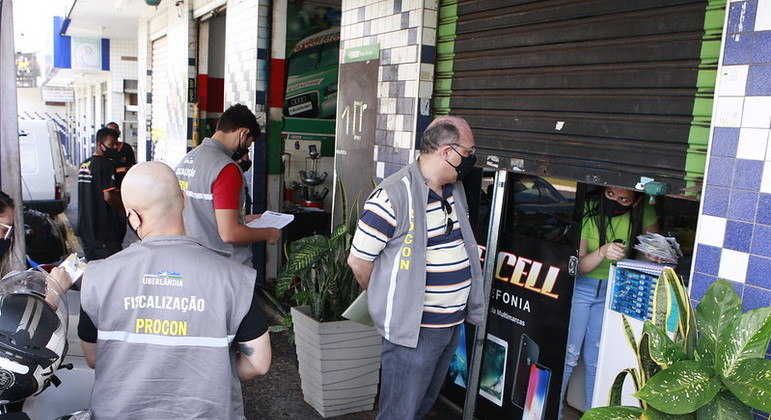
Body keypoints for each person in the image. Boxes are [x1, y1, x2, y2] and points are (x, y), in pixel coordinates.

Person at [77, 161, 271, 419]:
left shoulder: (97, 276)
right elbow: (259, 363)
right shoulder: (234, 277)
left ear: (132, 216)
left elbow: (94, 357)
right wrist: (212, 373)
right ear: (182, 199)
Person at [347, 116, 486, 420]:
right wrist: (391, 299)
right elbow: (358, 261)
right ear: (448, 153)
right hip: (415, 332)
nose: (473, 159)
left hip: (449, 325)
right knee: (399, 412)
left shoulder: (453, 190)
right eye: (470, 151)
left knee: (421, 404)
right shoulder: (392, 195)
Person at [561, 186, 659, 411]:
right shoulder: (588, 210)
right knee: (569, 355)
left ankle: (592, 413)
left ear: (635, 202)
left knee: (598, 359)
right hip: (582, 290)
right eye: (610, 195)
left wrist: (654, 254)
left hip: (614, 290)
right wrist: (603, 251)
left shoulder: (643, 211)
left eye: (624, 199)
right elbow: (579, 267)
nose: (615, 201)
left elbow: (656, 248)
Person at [176, 104, 280, 267]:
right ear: (243, 133)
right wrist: (269, 233)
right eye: (248, 144)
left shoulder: (189, 159)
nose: (245, 150)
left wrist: (243, 220)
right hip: (223, 268)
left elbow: (201, 214)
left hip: (192, 262)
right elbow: (230, 233)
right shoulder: (226, 169)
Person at [75, 127, 125, 261]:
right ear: (99, 145)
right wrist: (123, 209)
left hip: (85, 227)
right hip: (102, 228)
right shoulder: (105, 164)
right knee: (112, 266)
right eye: (111, 145)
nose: (114, 148)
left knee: (92, 267)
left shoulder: (84, 164)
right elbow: (108, 196)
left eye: (116, 144)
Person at [104, 122, 136, 189]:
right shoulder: (103, 148)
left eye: (115, 131)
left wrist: (127, 169)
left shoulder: (126, 148)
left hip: (124, 184)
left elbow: (133, 166)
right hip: (107, 185)